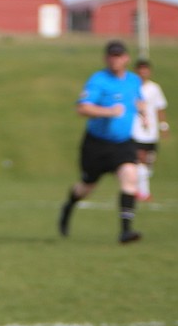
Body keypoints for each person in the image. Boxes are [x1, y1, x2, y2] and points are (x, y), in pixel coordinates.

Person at [58, 40, 144, 243]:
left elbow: (137, 100)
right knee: (86, 187)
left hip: (123, 143)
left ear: (126, 58)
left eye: (119, 56)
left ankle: (125, 231)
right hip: (97, 145)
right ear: (106, 58)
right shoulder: (98, 80)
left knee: (130, 176)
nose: (115, 60)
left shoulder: (134, 81)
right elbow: (82, 108)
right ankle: (69, 205)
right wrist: (108, 111)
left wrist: (142, 110)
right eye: (112, 56)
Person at [132, 58, 169, 202]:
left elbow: (160, 107)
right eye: (140, 69)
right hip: (136, 130)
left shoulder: (154, 88)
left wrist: (163, 125)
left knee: (148, 163)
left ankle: (139, 188)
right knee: (139, 158)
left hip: (151, 132)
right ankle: (143, 193)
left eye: (145, 69)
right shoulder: (132, 87)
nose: (143, 72)